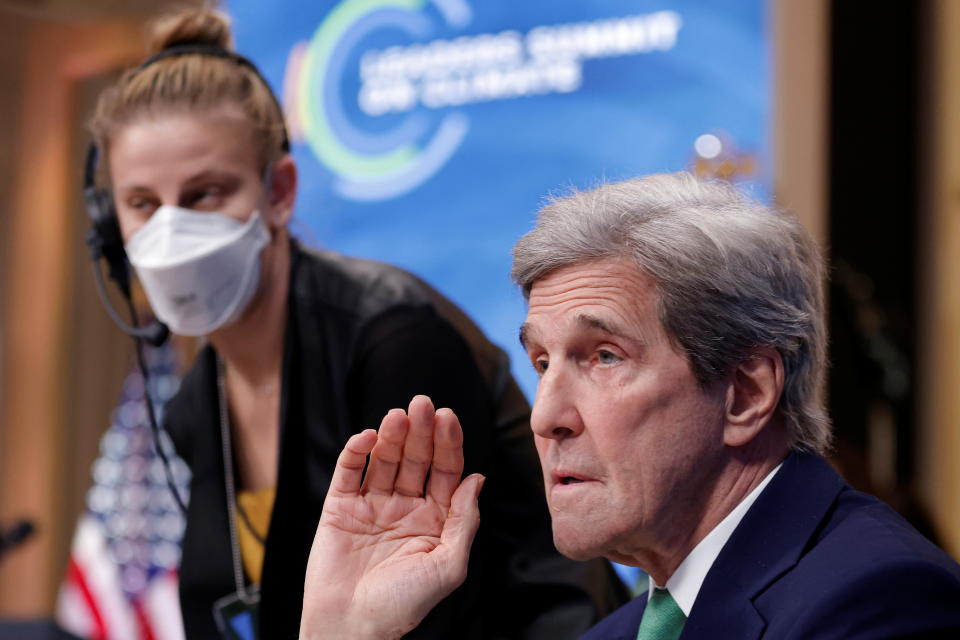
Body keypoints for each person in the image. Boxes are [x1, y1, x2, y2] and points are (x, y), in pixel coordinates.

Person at [87, 7, 627, 639]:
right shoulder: (191, 408)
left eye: (206, 194)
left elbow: (438, 606)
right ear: (110, 225)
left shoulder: (394, 339)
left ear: (279, 193)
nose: (172, 230)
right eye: (142, 203)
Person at [300, 172, 960, 639]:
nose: (544, 415)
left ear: (746, 393)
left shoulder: (877, 601)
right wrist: (348, 633)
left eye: (603, 356)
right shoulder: (619, 633)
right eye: (541, 362)